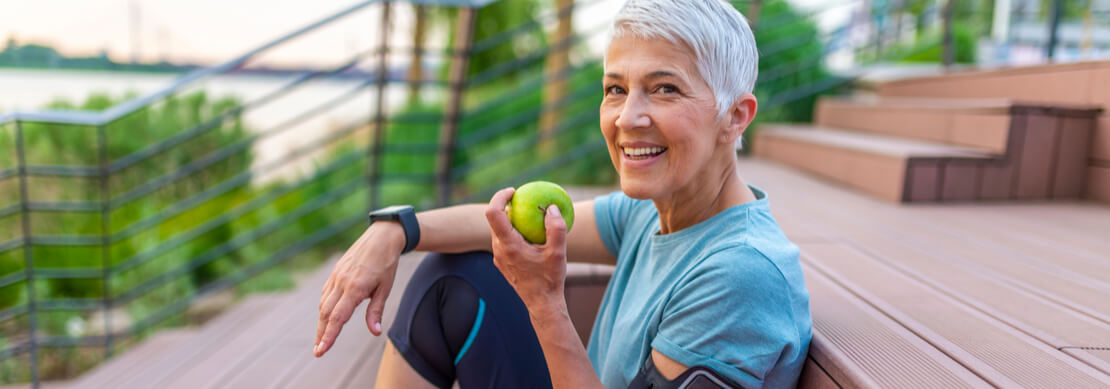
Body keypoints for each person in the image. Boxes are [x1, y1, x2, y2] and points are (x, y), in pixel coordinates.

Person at [313, 0, 811, 387]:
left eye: (665, 90)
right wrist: (395, 230)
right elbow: (497, 222)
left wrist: (545, 303)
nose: (627, 118)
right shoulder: (656, 210)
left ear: (735, 116)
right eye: (616, 89)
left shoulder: (739, 276)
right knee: (451, 275)